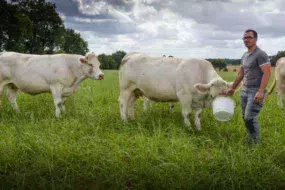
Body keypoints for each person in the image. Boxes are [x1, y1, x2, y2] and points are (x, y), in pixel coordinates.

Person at [227, 29, 271, 144]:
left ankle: (256, 143)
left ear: (255, 39)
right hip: (245, 89)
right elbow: (241, 73)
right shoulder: (245, 55)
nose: (246, 40)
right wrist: (233, 87)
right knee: (244, 116)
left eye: (249, 37)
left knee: (249, 117)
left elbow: (267, 73)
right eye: (245, 38)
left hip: (256, 90)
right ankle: (251, 137)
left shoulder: (260, 54)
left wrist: (261, 91)